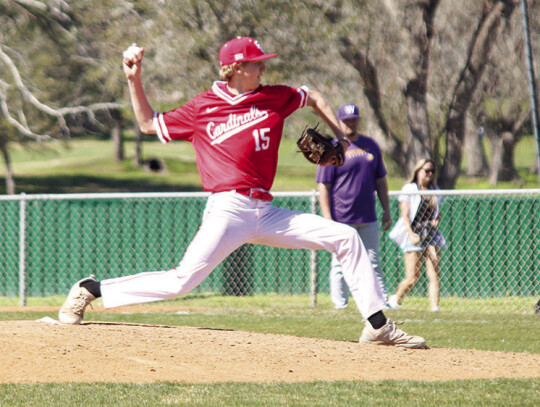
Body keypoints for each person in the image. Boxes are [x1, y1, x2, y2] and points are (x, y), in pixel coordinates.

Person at [58, 37, 426, 348]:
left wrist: (342, 138)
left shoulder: (274, 97)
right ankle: (92, 289)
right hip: (228, 209)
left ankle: (378, 327)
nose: (262, 70)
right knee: (181, 281)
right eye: (255, 65)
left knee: (346, 237)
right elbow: (146, 123)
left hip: (266, 211)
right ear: (233, 68)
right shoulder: (202, 108)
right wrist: (134, 79)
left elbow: (313, 97)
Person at [316, 103, 392, 309]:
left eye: (354, 119)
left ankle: (382, 303)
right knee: (340, 263)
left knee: (373, 263)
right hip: (342, 218)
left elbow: (381, 181)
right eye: (346, 120)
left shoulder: (370, 145)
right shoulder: (333, 148)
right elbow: (323, 186)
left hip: (368, 217)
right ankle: (340, 305)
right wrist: (327, 218)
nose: (350, 123)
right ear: (339, 122)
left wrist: (386, 210)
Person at [388, 159, 446, 311]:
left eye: (432, 171)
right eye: (426, 170)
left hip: (430, 234)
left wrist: (436, 221)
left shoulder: (435, 190)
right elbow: (405, 214)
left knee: (434, 271)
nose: (429, 174)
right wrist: (410, 233)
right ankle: (396, 299)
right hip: (414, 233)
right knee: (412, 277)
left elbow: (438, 213)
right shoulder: (410, 188)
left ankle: (435, 307)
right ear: (418, 171)